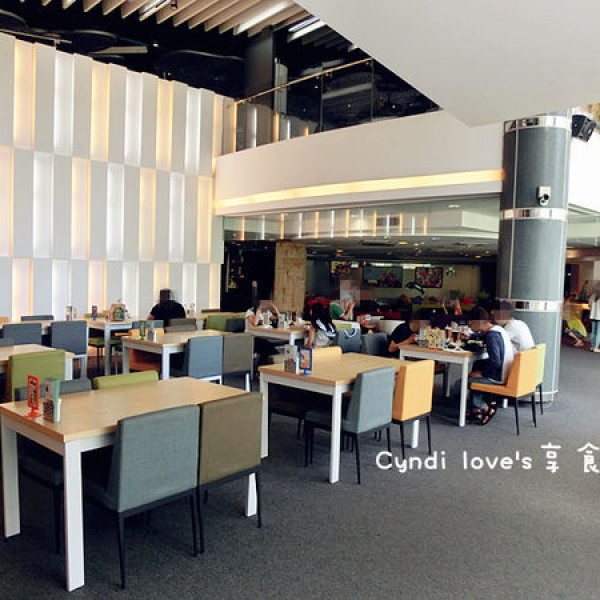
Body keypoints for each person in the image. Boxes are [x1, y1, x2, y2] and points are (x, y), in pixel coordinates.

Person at [460, 306, 515, 425]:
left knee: (462, 384)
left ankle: (485, 408)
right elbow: (485, 336)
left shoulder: (491, 337)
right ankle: (475, 410)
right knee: (477, 365)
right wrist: (471, 336)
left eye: (470, 323)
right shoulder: (497, 329)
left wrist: (482, 373)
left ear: (477, 322)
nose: (470, 326)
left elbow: (495, 362)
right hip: (507, 372)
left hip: (498, 377)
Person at [588, 283, 600, 352]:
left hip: (592, 315)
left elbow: (589, 305)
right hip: (599, 316)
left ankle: (592, 347)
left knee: (593, 331)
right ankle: (596, 347)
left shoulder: (592, 295)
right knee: (598, 332)